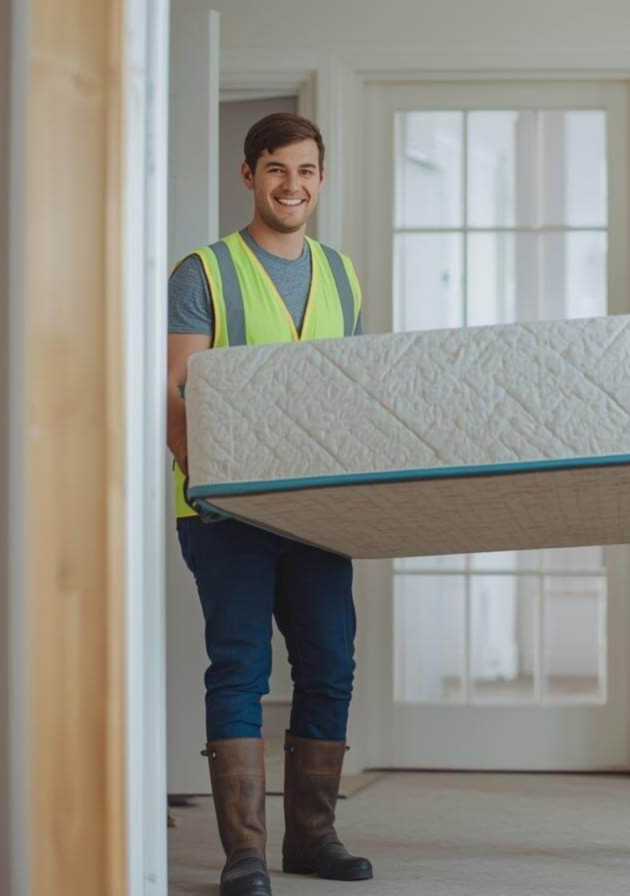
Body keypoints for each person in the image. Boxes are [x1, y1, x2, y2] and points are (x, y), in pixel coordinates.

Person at [167, 113, 372, 896]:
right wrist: (205, 472)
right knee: (241, 668)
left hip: (318, 509)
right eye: (278, 169)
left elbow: (353, 390)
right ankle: (243, 854)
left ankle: (311, 838)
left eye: (308, 171)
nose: (294, 185)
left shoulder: (343, 275)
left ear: (321, 179)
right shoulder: (204, 272)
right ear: (248, 175)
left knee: (329, 665)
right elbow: (175, 391)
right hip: (225, 513)